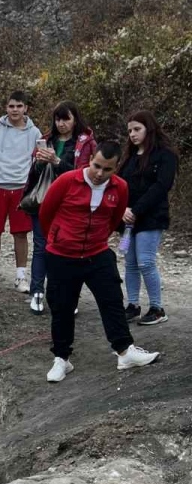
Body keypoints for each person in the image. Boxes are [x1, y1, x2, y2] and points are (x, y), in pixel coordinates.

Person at [38, 141, 161, 383]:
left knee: (112, 300)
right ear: (90, 159)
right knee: (62, 307)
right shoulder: (67, 181)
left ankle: (124, 351)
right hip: (62, 254)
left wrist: (98, 240)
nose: (99, 173)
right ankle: (62, 359)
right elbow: (46, 214)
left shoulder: (120, 187)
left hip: (97, 252)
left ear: (116, 169)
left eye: (107, 169)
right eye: (96, 166)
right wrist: (59, 238)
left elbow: (115, 219)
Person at [22, 101, 97, 314]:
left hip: (70, 203)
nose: (61, 123)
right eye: (58, 119)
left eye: (66, 119)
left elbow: (83, 174)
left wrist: (56, 161)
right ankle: (37, 291)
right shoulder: (46, 140)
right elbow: (33, 175)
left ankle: (66, 294)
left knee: (67, 249)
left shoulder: (85, 143)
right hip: (44, 201)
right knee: (40, 246)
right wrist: (39, 163)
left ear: (75, 120)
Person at [0, 91, 42, 292]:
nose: (15, 110)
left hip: (21, 190)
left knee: (21, 234)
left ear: (26, 108)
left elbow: (37, 160)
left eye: (19, 106)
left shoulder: (35, 133)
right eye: (12, 106)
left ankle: (21, 278)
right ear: (6, 108)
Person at [119, 110, 177, 326]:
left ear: (148, 129)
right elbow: (120, 184)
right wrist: (123, 209)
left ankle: (157, 308)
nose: (133, 134)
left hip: (151, 217)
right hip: (128, 220)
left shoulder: (165, 155)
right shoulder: (129, 158)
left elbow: (161, 187)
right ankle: (133, 305)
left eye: (137, 129)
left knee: (145, 261)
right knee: (130, 263)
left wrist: (136, 210)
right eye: (130, 131)